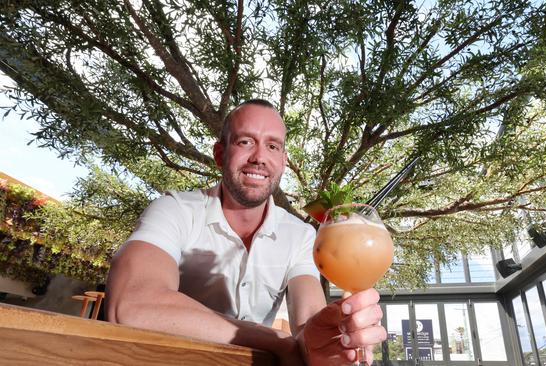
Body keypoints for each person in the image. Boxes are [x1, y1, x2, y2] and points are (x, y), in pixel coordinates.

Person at [106, 99, 387, 365]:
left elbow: (308, 328)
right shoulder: (175, 210)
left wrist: (328, 344)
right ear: (220, 154)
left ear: (284, 162)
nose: (259, 157)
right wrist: (275, 339)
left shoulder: (301, 236)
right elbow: (131, 305)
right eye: (245, 141)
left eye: (273, 146)